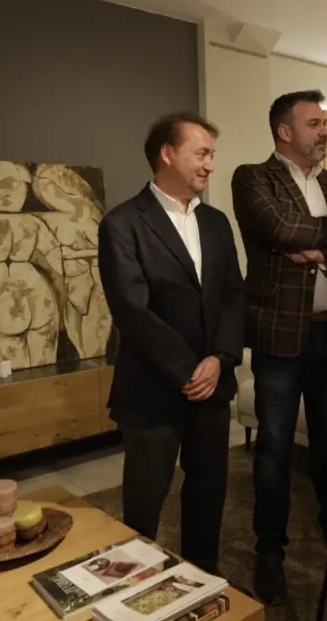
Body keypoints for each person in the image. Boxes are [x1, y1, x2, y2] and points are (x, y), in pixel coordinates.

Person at [231, 89, 327, 605]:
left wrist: (315, 248)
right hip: (280, 333)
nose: (325, 132)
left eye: (324, 124)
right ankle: (270, 550)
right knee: (275, 445)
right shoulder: (253, 178)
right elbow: (278, 227)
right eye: (315, 124)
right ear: (285, 131)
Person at [97, 111, 245, 574]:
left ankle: (202, 579)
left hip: (212, 385)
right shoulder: (123, 223)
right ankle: (133, 589)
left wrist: (219, 359)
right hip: (153, 388)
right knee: (144, 503)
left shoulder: (217, 223)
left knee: (208, 493)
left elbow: (233, 296)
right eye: (201, 154)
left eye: (211, 155)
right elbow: (132, 310)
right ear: (167, 153)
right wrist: (187, 371)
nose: (209, 165)